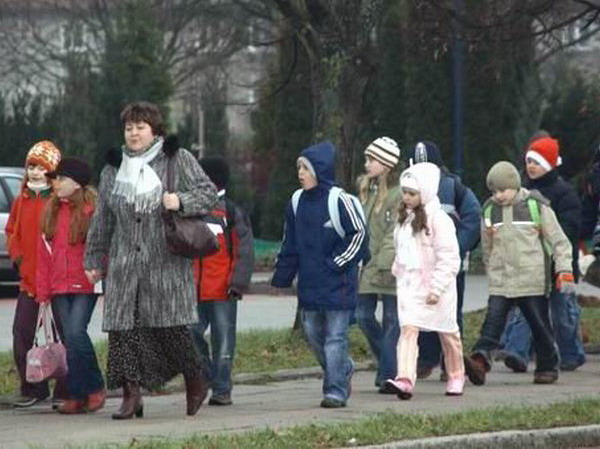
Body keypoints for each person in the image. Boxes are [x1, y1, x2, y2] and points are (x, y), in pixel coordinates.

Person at [84, 101, 218, 419]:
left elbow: (209, 192)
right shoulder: (113, 168)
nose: (133, 133)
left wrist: (180, 200)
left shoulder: (177, 159)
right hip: (124, 264)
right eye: (129, 127)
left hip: (166, 263)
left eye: (140, 127)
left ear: (154, 130)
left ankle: (195, 377)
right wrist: (93, 257)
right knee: (123, 330)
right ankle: (131, 395)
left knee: (170, 329)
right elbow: (103, 217)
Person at [271, 141, 367, 408]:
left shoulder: (341, 200)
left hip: (340, 285)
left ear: (320, 170)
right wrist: (282, 277)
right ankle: (343, 369)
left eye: (305, 168)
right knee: (314, 336)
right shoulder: (296, 201)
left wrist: (337, 263)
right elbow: (289, 242)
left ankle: (335, 390)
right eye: (298, 167)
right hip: (310, 285)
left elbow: (359, 235)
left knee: (335, 338)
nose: (300, 173)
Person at [465, 161, 574, 386]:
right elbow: (487, 245)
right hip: (501, 281)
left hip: (531, 280)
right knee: (492, 323)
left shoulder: (535, 205)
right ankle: (480, 361)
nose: (498, 196)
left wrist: (564, 269)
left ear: (514, 184)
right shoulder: (489, 209)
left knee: (539, 324)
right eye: (493, 191)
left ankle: (547, 365)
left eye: (503, 190)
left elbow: (560, 242)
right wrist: (491, 267)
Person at [500, 136, 585, 372]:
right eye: (528, 161)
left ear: (549, 164)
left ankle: (571, 353)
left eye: (536, 162)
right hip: (529, 265)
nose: (531, 166)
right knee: (527, 311)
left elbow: (569, 228)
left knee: (562, 313)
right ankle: (517, 352)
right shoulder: (521, 192)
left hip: (558, 266)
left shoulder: (564, 193)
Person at [384, 162, 465, 400]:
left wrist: (437, 288)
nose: (407, 198)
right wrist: (397, 269)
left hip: (437, 288)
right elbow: (401, 247)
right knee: (408, 329)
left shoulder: (440, 220)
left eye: (412, 193)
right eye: (405, 192)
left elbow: (449, 258)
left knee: (448, 333)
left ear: (426, 192)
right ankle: (405, 378)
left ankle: (456, 374)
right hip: (411, 286)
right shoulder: (405, 219)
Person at [406, 141, 481, 380]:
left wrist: (454, 249)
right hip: (420, 266)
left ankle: (451, 363)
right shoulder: (409, 190)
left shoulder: (454, 187)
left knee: (450, 313)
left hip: (449, 267)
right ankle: (427, 359)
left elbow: (472, 217)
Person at [36, 158, 105, 414]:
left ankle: (95, 387)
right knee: (69, 340)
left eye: (60, 178)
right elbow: (43, 254)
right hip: (58, 287)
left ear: (76, 183)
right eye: (54, 178)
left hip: (85, 284)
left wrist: (99, 268)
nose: (55, 183)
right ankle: (76, 394)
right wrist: (43, 292)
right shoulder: (50, 210)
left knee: (76, 333)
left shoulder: (91, 210)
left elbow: (102, 246)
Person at [6, 140, 68, 409]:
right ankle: (33, 386)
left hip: (57, 282)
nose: (34, 172)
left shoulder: (59, 201)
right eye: (31, 166)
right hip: (29, 281)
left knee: (65, 336)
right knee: (22, 334)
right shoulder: (22, 200)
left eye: (41, 168)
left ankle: (66, 389)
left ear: (51, 172)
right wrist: (18, 257)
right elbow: (12, 232)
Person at [190, 156, 254, 406]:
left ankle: (222, 388)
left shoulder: (230, 212)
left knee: (224, 342)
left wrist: (237, 283)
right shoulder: (189, 210)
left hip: (223, 290)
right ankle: (205, 375)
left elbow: (244, 251)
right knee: (190, 333)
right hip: (193, 289)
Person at [355, 137, 402, 393]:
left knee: (392, 320)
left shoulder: (398, 194)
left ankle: (388, 374)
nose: (367, 164)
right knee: (362, 315)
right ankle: (386, 363)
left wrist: (384, 262)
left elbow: (393, 233)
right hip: (367, 263)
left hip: (388, 264)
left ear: (386, 164)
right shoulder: (367, 190)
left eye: (371, 159)